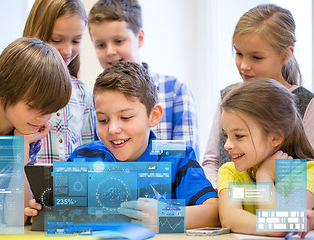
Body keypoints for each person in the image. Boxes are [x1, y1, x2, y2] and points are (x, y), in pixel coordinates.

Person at [25, 61, 219, 229]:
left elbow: (214, 212)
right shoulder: (83, 157)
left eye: (125, 117)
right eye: (102, 120)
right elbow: (55, 209)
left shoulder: (177, 158)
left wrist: (167, 214)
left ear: (154, 116)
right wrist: (38, 210)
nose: (113, 129)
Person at [0, 37, 72, 239]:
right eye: (34, 107)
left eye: (50, 111)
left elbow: (14, 218)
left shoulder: (29, 133)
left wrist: (21, 149)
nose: (43, 118)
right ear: (2, 93)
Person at [202, 3, 314, 189]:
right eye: (239, 53)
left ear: (285, 55)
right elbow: (211, 161)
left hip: (282, 203)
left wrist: (261, 187)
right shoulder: (228, 97)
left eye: (256, 57)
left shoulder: (307, 103)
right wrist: (220, 196)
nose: (244, 65)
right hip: (229, 200)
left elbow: (307, 168)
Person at [87, 0, 200, 160]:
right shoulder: (95, 98)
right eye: (101, 44)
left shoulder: (175, 90)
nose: (110, 51)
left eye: (119, 41)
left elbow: (187, 157)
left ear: (139, 38)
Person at [218, 78, 314, 237]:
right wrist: (277, 225)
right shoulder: (230, 171)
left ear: (275, 138)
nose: (226, 145)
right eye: (226, 135)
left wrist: (264, 176)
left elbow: (278, 221)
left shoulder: (307, 172)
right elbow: (229, 218)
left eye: (239, 136)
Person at [23, 0, 95, 163]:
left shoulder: (82, 92)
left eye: (76, 41)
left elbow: (88, 153)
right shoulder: (19, 87)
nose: (67, 51)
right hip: (25, 186)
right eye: (56, 40)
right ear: (37, 34)